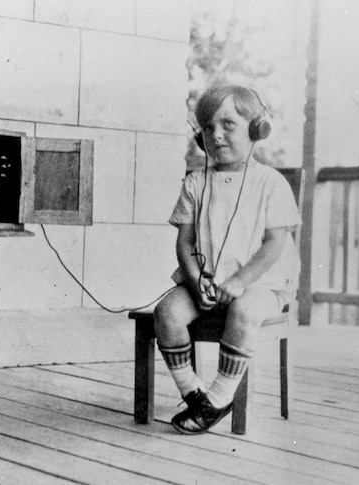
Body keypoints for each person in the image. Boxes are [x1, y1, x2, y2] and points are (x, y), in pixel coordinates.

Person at [154, 85, 301, 434]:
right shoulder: (195, 183)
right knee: (167, 313)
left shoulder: (271, 183)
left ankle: (220, 396)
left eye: (228, 125)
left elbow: (273, 245)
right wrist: (193, 278)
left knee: (244, 311)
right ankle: (197, 396)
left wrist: (238, 282)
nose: (216, 135)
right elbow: (185, 242)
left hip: (259, 283)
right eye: (207, 127)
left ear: (257, 129)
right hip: (205, 281)